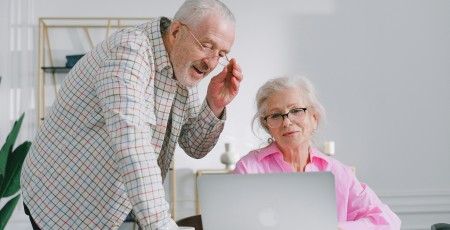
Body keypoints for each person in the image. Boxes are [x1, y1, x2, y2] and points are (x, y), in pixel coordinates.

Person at [21, 0, 243, 229]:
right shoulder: (130, 52)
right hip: (59, 200)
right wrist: (163, 225)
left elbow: (194, 146)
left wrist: (214, 105)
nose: (212, 62)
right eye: (207, 45)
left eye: (222, 54)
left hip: (104, 208)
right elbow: (133, 147)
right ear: (177, 31)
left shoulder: (184, 66)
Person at [233, 76, 400, 230]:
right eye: (276, 115)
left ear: (314, 118)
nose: (287, 121)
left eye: (296, 111)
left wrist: (337, 228)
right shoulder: (249, 168)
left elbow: (388, 221)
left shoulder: (338, 172)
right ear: (268, 126)